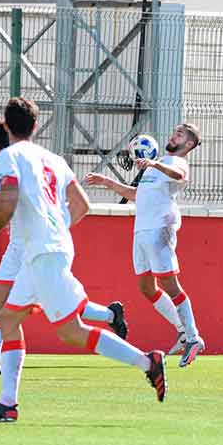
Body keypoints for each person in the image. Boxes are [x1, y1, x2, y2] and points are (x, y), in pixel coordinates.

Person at [0, 98, 166, 422]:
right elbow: (82, 204)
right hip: (47, 250)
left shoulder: (8, 156)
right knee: (8, 319)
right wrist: (54, 229)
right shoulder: (54, 159)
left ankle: (148, 362)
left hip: (44, 253)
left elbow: (10, 201)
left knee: (72, 332)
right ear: (36, 125)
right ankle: (7, 403)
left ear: (6, 125)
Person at [0, 122, 128, 378]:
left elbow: (2, 204)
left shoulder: (8, 161)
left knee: (58, 306)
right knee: (0, 296)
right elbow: (80, 204)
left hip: (32, 245)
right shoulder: (38, 160)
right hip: (21, 245)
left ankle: (124, 334)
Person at [84, 124, 204, 367]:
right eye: (175, 131)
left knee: (170, 284)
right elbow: (137, 194)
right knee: (147, 287)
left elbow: (181, 177)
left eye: (180, 134)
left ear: (189, 144)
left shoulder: (176, 162)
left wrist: (154, 164)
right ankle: (182, 330)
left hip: (159, 230)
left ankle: (193, 338)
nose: (173, 135)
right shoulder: (159, 164)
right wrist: (106, 181)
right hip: (141, 231)